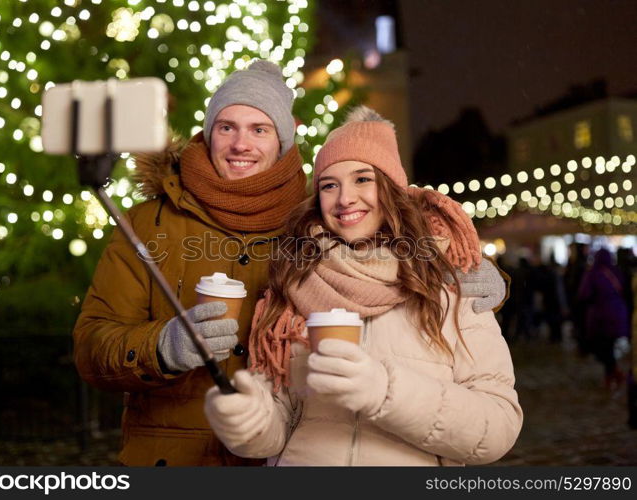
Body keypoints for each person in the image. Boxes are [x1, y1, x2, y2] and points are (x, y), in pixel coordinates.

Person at [73, 62, 507, 466]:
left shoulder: (313, 218)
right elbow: (92, 343)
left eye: (259, 129)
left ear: (282, 141)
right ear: (207, 134)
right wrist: (162, 347)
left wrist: (472, 271)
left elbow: (405, 240)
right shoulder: (149, 224)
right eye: (227, 127)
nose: (241, 144)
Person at [204, 107, 522, 466]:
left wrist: (384, 391)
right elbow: (280, 422)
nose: (344, 199)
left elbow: (497, 428)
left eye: (362, 179)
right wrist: (248, 422)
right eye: (329, 185)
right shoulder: (293, 282)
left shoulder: (448, 286)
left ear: (390, 189)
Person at [578, 248, 630, 391]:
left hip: (601, 317)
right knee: (609, 346)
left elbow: (584, 294)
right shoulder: (617, 271)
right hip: (618, 314)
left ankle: (613, 374)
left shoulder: (593, 273)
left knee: (603, 347)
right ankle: (613, 374)